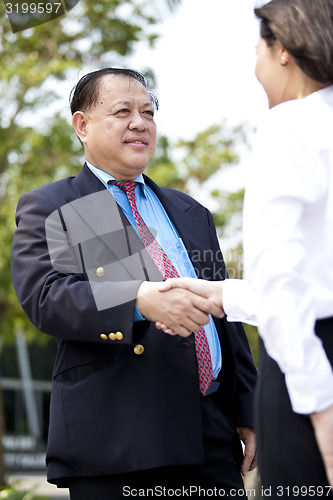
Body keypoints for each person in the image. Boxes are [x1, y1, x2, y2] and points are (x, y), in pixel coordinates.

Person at [11, 68, 257, 499]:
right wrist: (138, 299)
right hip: (119, 438)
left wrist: (248, 410)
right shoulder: (57, 204)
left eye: (148, 111)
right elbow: (46, 297)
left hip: (211, 435)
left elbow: (226, 319)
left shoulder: (190, 211)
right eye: (122, 111)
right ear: (82, 125)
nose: (139, 123)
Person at [157, 0, 333, 495]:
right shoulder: (66, 203)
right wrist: (223, 296)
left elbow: (283, 284)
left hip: (308, 374)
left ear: (283, 51)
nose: (254, 65)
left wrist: (319, 408)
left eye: (256, 49)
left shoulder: (290, 125)